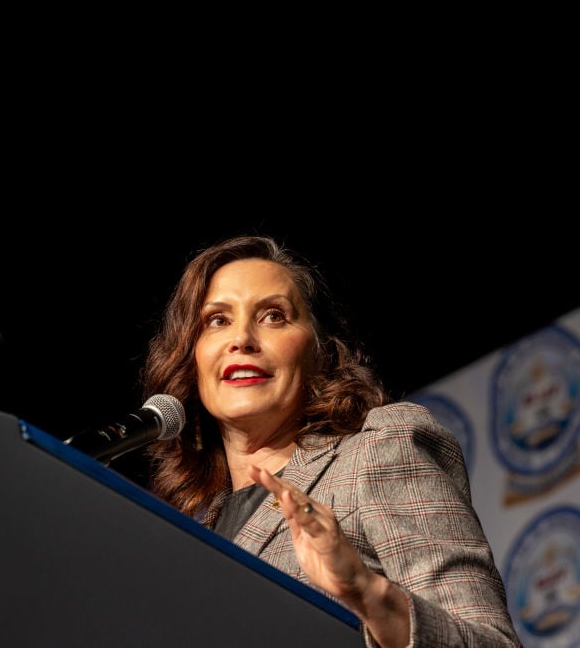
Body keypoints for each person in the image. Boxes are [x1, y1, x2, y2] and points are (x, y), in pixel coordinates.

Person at [139, 234, 522, 647]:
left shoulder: (378, 449)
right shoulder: (189, 527)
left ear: (322, 352)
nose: (242, 339)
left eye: (273, 316)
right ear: (190, 356)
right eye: (217, 320)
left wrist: (365, 591)